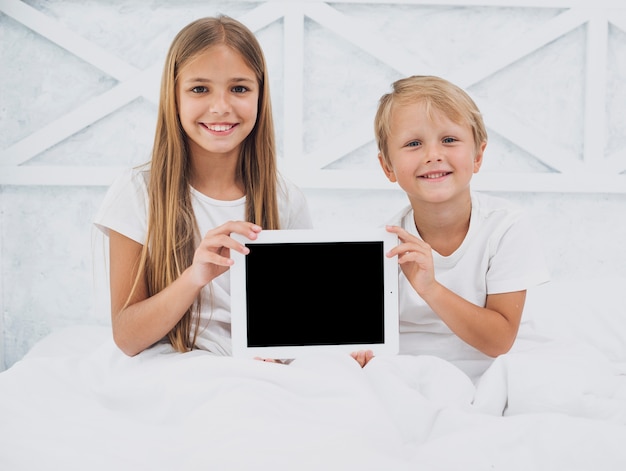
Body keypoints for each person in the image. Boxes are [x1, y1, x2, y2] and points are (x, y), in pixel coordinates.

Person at [94, 16, 312, 357]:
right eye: (199, 89)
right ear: (174, 96)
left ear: (260, 95)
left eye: (239, 88)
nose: (221, 107)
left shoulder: (286, 199)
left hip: (260, 372)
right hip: (174, 369)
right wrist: (194, 277)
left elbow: (300, 318)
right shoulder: (138, 192)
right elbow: (127, 337)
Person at [351, 75, 550, 381]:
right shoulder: (384, 245)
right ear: (387, 167)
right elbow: (371, 341)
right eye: (414, 143)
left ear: (478, 156)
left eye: (449, 140)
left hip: (492, 370)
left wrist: (430, 287)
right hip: (414, 372)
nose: (433, 155)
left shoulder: (505, 226)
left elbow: (499, 341)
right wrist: (361, 351)